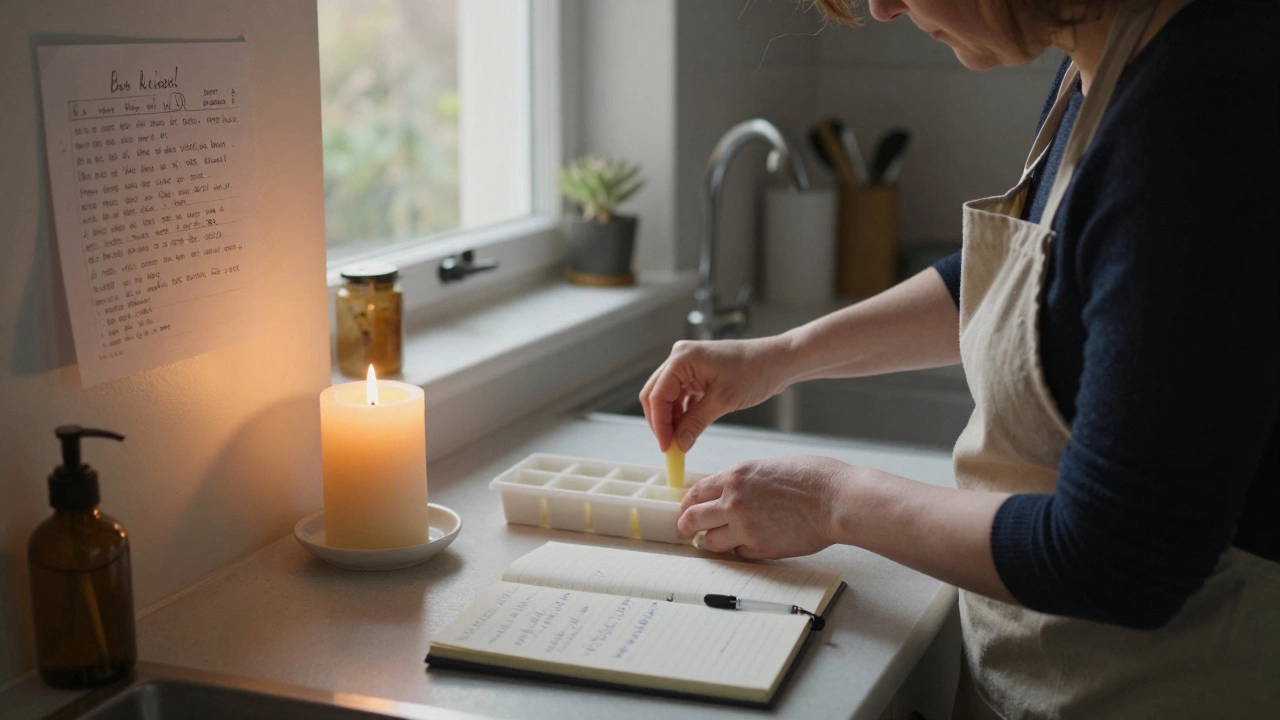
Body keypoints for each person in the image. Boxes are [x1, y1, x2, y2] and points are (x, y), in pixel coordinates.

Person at [639, 0, 1280, 717]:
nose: (881, 8)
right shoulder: (1097, 59)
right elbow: (1035, 282)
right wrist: (780, 355)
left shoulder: (1203, 111)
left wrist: (831, 501)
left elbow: (1121, 559)